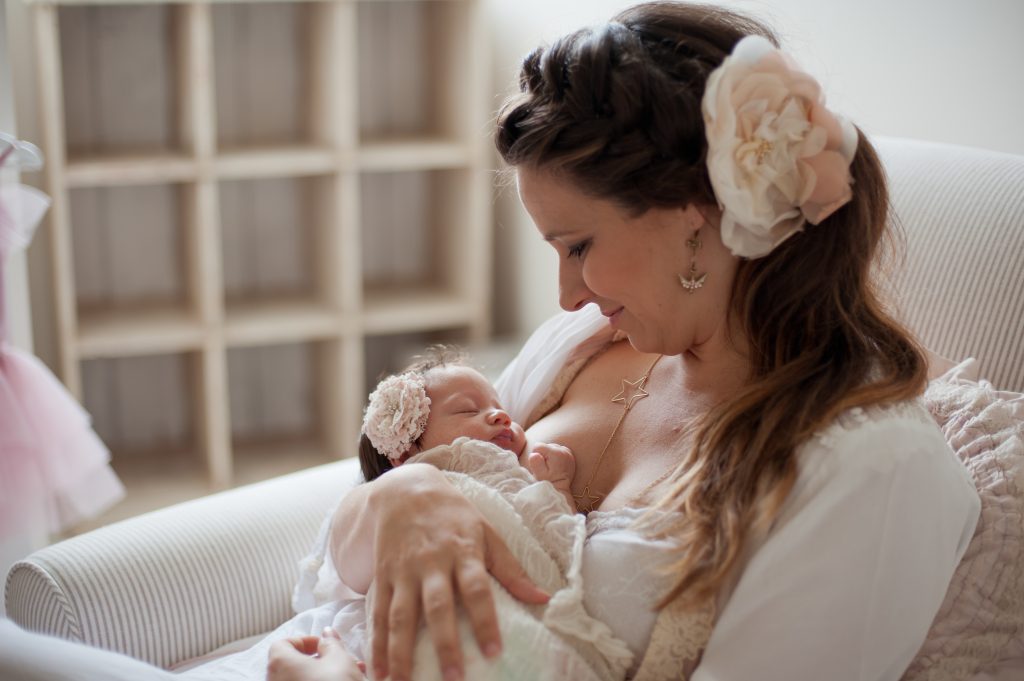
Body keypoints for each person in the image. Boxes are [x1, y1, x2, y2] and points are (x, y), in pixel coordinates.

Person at [291, 3, 980, 681]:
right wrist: (399, 495)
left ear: (696, 217)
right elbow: (327, 583)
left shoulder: (874, 469)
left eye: (578, 246)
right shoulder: (582, 344)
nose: (566, 294)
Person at [356, 345, 578, 512]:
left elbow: (555, 538)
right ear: (407, 454)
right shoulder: (413, 505)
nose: (501, 416)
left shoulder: (519, 481)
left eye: (500, 407)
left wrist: (556, 487)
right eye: (468, 410)